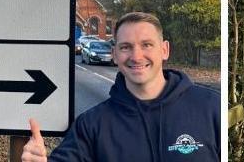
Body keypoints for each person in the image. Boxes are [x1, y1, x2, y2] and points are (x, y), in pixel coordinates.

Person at [22, 12, 220, 161]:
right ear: (115, 54)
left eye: (146, 45)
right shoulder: (92, 125)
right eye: (126, 47)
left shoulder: (210, 108)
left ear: (164, 50)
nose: (136, 56)